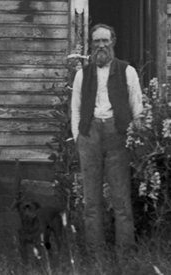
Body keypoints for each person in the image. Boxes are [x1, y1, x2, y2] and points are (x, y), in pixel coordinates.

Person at [71, 24, 143, 256]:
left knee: (121, 197)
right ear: (91, 45)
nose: (100, 45)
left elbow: (137, 107)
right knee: (91, 200)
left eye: (105, 40)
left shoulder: (127, 71)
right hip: (89, 136)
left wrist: (135, 137)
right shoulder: (83, 74)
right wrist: (78, 137)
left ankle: (125, 253)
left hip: (118, 136)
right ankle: (95, 254)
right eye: (96, 42)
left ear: (113, 41)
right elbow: (76, 108)